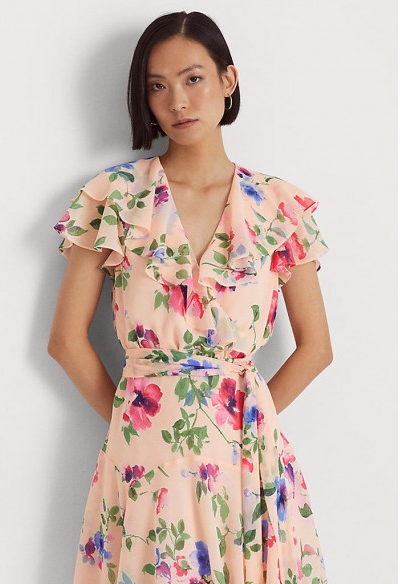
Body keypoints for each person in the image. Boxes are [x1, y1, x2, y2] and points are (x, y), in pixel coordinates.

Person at [48, 10, 332, 584]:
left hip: (247, 460)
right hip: (145, 459)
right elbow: (65, 341)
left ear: (228, 80)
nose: (177, 101)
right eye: (157, 86)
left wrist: (242, 423)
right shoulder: (115, 198)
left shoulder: (278, 206)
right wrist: (140, 421)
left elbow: (317, 348)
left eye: (193, 78)